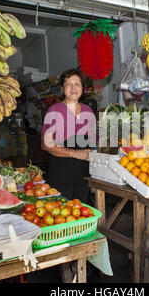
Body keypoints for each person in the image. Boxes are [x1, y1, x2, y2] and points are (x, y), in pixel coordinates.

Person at [41, 69, 97, 204]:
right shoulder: (54, 110)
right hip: (61, 173)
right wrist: (75, 153)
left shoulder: (88, 110)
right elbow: (45, 145)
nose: (73, 88)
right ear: (62, 88)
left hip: (83, 175)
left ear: (82, 88)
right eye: (68, 84)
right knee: (62, 215)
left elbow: (93, 142)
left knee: (82, 212)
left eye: (77, 84)